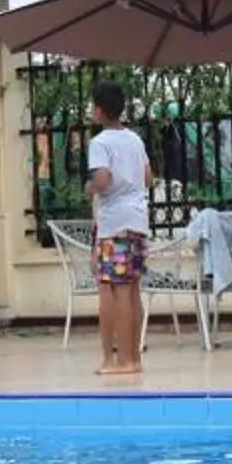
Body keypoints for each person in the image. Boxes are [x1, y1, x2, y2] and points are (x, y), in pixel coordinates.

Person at [87, 81, 151, 378]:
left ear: (100, 111)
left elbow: (102, 179)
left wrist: (90, 187)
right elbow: (148, 177)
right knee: (132, 288)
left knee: (115, 289)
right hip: (137, 220)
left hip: (114, 224)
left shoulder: (100, 143)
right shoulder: (135, 140)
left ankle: (119, 360)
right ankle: (134, 357)